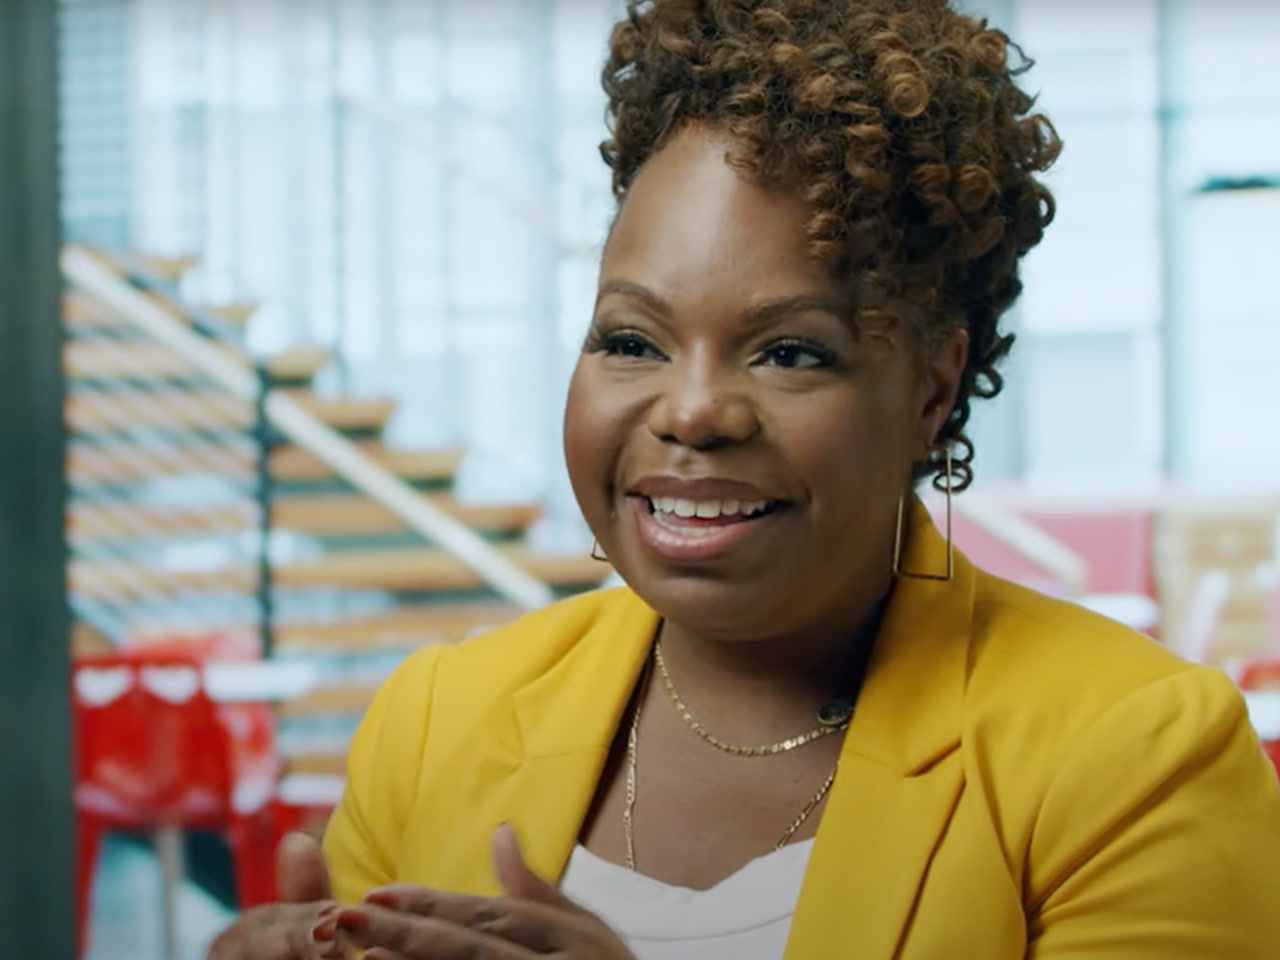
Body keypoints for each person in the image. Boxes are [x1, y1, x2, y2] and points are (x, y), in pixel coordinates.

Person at [209, 1, 1280, 958]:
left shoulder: (1135, 758)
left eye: (790, 351)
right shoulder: (437, 718)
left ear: (929, 389)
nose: (689, 411)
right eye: (631, 339)